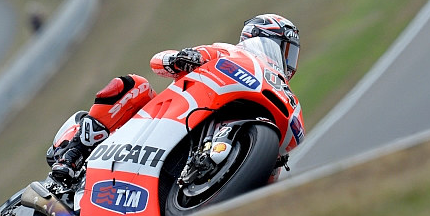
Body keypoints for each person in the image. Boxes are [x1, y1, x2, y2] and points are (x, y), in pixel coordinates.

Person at [48, 13, 300, 183]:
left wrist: (270, 160)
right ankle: (73, 155)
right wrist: (179, 58)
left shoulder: (278, 88)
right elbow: (158, 61)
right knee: (134, 85)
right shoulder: (227, 52)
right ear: (262, 37)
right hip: (163, 120)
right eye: (286, 50)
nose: (289, 61)